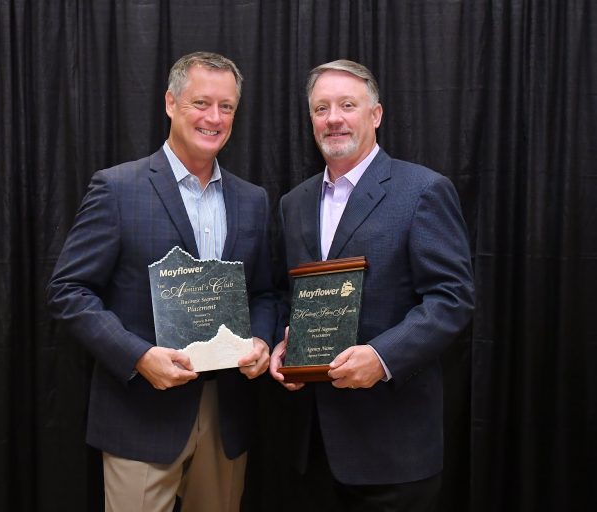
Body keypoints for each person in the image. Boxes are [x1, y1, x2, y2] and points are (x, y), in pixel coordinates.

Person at [47, 52, 276, 512]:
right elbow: (69, 290)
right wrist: (137, 356)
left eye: (226, 107)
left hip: (226, 414)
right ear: (171, 103)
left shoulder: (253, 200)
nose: (214, 118)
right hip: (141, 413)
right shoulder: (117, 188)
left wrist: (261, 339)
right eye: (201, 103)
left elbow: (266, 292)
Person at [269, 59, 475, 511]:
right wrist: (284, 340)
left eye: (347, 105)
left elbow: (451, 299)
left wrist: (382, 358)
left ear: (375, 115)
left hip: (392, 448)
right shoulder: (293, 203)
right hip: (311, 447)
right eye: (321, 108)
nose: (334, 118)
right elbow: (291, 295)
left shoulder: (422, 190)